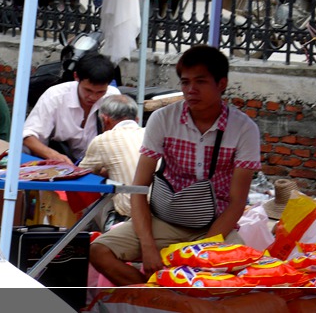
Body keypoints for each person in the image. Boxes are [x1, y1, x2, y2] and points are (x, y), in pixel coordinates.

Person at [89, 45, 261, 286]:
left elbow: (237, 202)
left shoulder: (244, 129)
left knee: (239, 273)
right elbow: (139, 188)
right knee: (98, 251)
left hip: (213, 226)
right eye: (185, 82)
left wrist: (203, 251)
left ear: (221, 84)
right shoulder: (163, 119)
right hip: (162, 221)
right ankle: (153, 296)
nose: (191, 90)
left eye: (200, 82)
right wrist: (148, 245)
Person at [22, 52, 120, 165]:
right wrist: (52, 155)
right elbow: (27, 135)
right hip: (60, 160)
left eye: (100, 92)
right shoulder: (55, 96)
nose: (93, 97)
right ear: (76, 77)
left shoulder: (112, 97)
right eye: (88, 90)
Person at [78, 94, 143, 232]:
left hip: (130, 215)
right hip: (161, 211)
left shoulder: (103, 139)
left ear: (105, 119)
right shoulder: (150, 133)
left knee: (89, 192)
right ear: (136, 119)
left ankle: (82, 237)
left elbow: (82, 175)